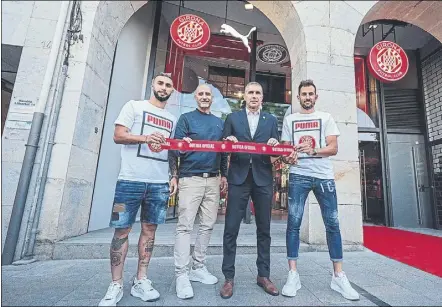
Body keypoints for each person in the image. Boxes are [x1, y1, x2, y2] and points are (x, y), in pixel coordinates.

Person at [99, 73, 178, 306]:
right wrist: (146, 137)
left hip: (159, 183)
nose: (164, 88)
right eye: (161, 83)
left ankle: (141, 279)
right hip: (129, 181)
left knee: (150, 230)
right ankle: (116, 284)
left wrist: (174, 175)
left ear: (172, 91)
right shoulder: (134, 106)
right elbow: (118, 135)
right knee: (121, 231)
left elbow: (171, 150)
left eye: (168, 86)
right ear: (153, 85)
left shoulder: (172, 119)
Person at [280, 79, 360, 300]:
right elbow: (285, 153)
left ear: (316, 97)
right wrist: (289, 156)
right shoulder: (290, 120)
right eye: (303, 94)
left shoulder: (326, 118)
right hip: (298, 175)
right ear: (298, 97)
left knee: (332, 224)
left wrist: (314, 150)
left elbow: (334, 148)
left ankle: (338, 276)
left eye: (310, 94)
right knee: (293, 223)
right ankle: (293, 274)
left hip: (323, 177)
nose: (307, 97)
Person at [220, 81, 280, 299]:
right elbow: (223, 148)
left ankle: (263, 275)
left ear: (262, 97)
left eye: (258, 93)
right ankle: (228, 278)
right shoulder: (232, 118)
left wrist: (275, 144)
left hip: (263, 178)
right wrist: (229, 142)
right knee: (231, 229)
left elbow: (275, 154)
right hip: (238, 177)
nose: (254, 96)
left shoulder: (271, 120)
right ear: (244, 96)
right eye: (250, 92)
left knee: (264, 230)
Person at [171, 84, 229, 299]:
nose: (204, 97)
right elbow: (175, 149)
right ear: (196, 97)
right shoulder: (186, 119)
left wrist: (224, 175)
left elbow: (223, 152)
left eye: (208, 94)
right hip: (190, 178)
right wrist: (174, 175)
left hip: (213, 180)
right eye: (201, 94)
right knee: (185, 226)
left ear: (212, 98)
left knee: (207, 225)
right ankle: (182, 274)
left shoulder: (218, 122)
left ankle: (198, 267)